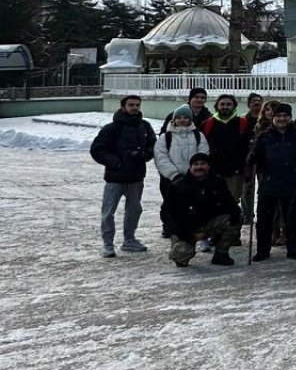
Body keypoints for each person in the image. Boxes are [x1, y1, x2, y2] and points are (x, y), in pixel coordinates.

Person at [91, 95, 158, 257]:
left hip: (136, 177)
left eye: (137, 105)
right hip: (115, 178)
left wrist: (145, 155)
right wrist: (116, 162)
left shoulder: (144, 126)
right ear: (123, 107)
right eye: (131, 105)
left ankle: (129, 240)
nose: (134, 107)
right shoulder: (112, 128)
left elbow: (153, 145)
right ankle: (107, 244)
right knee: (108, 212)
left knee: (134, 210)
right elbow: (97, 150)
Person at [251, 103, 296, 262]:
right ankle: (262, 250)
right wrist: (252, 158)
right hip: (269, 183)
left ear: (290, 117)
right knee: (264, 220)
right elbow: (255, 157)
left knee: (292, 219)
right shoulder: (264, 136)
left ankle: (293, 249)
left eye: (285, 115)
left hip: (292, 183)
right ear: (273, 117)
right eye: (278, 116)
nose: (282, 119)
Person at [160, 153, 240, 267]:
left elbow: (230, 204)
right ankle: (181, 252)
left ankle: (221, 254)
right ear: (190, 167)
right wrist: (187, 235)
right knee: (181, 256)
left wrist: (235, 215)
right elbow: (167, 214)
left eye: (203, 164)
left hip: (208, 224)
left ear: (209, 166)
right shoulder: (177, 186)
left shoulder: (217, 182)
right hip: (184, 228)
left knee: (234, 220)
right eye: (196, 164)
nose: (199, 167)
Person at [154, 104, 211, 241]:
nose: (182, 120)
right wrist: (174, 175)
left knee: (198, 206)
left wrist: (195, 173)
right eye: (179, 117)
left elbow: (203, 155)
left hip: (194, 179)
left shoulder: (198, 136)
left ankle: (199, 232)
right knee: (172, 206)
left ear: (190, 119)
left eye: (185, 117)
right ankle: (173, 230)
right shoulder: (165, 137)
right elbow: (161, 158)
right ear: (173, 119)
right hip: (171, 180)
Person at [201, 94, 252, 246]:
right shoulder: (208, 123)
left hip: (235, 172)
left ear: (234, 106)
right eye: (222, 104)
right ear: (217, 106)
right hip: (214, 172)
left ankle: (232, 235)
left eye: (228, 104)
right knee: (214, 203)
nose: (225, 107)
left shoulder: (243, 123)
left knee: (232, 204)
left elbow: (248, 147)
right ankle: (215, 234)